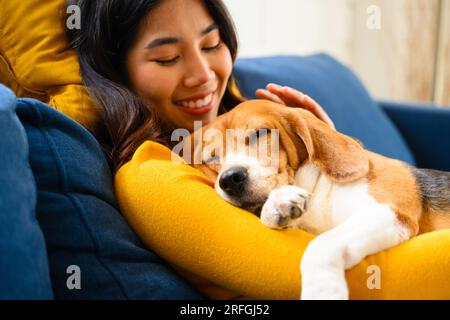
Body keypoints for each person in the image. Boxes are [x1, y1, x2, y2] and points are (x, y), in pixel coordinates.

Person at [67, 0, 431, 300]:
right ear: (118, 73)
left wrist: (323, 147)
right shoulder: (153, 174)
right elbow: (365, 280)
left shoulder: (263, 119)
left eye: (211, 45)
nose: (203, 74)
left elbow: (381, 200)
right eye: (166, 58)